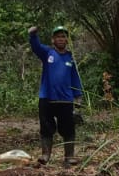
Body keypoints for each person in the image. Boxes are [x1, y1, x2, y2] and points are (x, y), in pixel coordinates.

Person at [27, 24, 83, 167]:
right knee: (46, 127)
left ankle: (69, 156)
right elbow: (36, 47)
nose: (61, 39)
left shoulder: (70, 58)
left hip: (65, 99)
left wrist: (78, 96)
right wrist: (33, 35)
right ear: (53, 40)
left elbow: (75, 78)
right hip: (47, 97)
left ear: (67, 40)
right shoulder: (48, 53)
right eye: (58, 36)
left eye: (63, 36)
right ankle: (45, 155)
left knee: (68, 127)